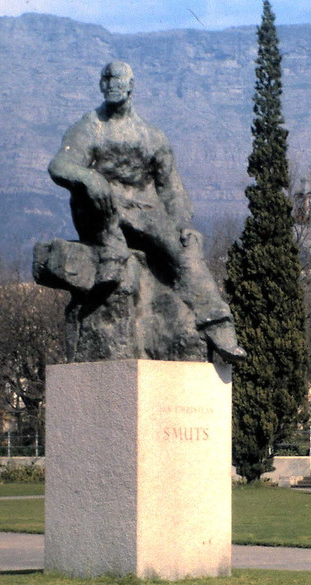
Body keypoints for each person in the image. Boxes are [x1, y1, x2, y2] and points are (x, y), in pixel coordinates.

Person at [47, 60, 245, 363]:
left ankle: (219, 327)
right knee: (95, 194)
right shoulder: (89, 128)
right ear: (101, 85)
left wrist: (181, 224)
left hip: (143, 215)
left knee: (187, 249)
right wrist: (89, 177)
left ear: (131, 85)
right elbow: (60, 166)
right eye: (106, 78)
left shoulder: (152, 136)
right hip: (99, 214)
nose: (112, 83)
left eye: (118, 79)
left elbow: (172, 188)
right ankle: (112, 255)